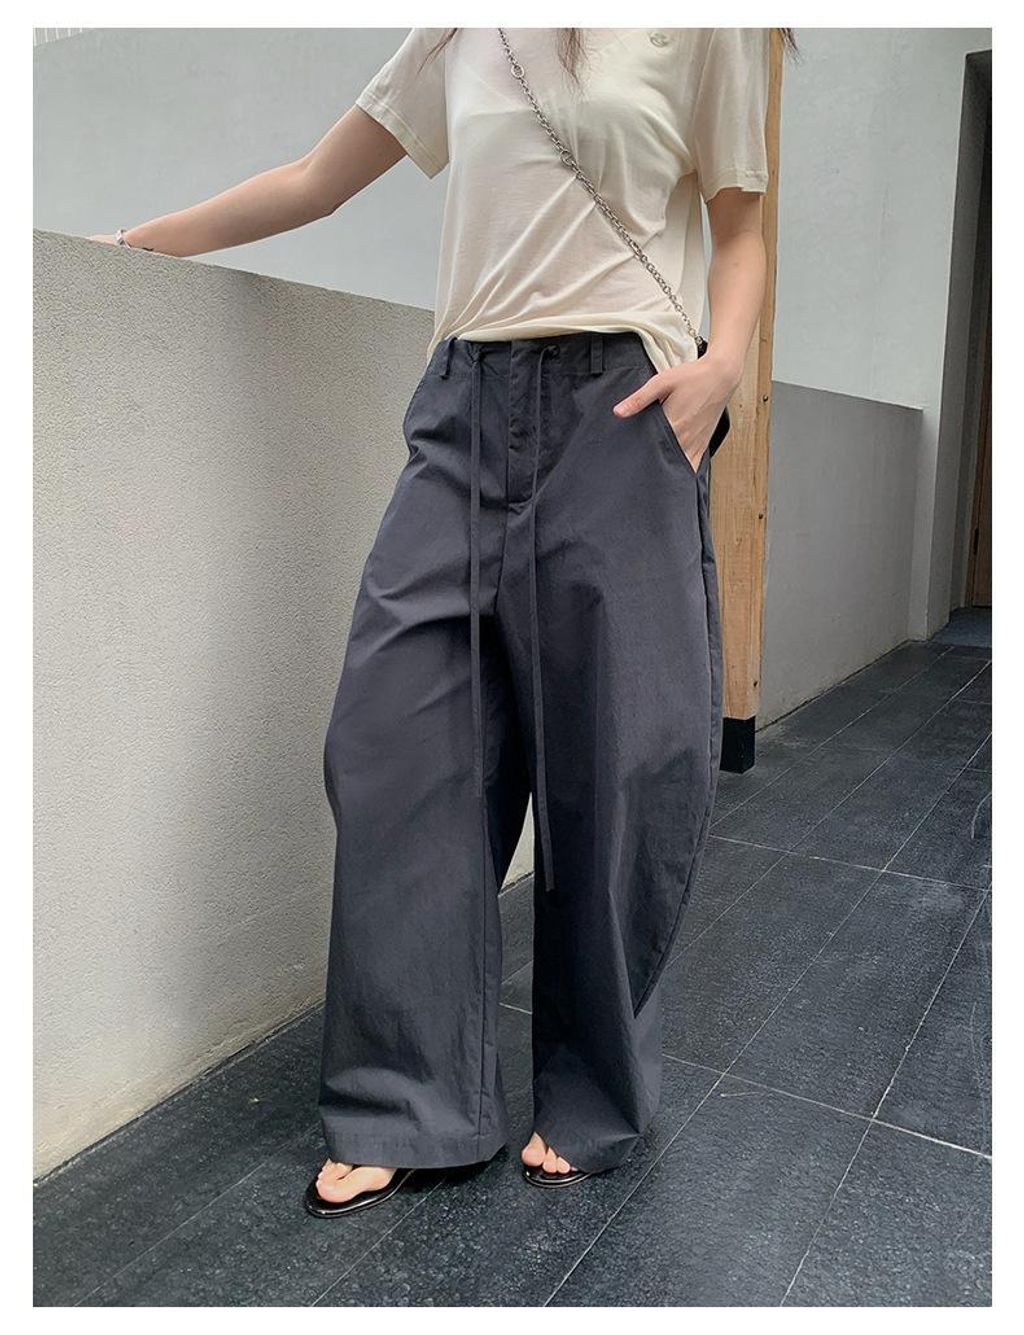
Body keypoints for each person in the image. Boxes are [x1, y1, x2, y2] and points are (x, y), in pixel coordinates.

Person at [94, 26, 783, 1217]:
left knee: (618, 762)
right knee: (395, 742)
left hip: (620, 403)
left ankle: (595, 1092)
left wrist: (720, 367)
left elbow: (741, 230)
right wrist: (137, 243)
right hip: (462, 402)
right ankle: (408, 1098)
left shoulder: (703, 27)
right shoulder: (462, 28)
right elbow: (317, 178)